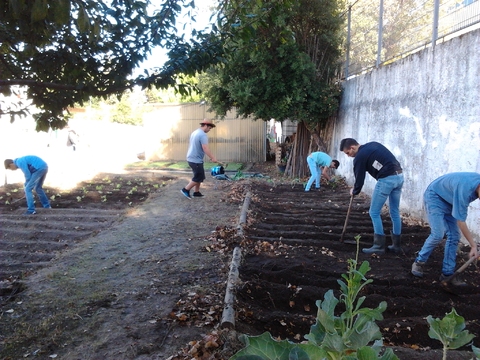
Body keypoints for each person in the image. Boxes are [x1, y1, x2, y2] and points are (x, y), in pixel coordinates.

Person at [411, 172, 479, 285]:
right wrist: (473, 245)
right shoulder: (465, 190)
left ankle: (447, 274)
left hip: (450, 200)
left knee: (454, 236)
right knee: (438, 234)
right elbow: (461, 222)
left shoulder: (475, 186)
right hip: (435, 196)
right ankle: (419, 262)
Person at [339, 138, 404, 254]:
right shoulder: (373, 145)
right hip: (399, 176)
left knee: (374, 212)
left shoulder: (359, 157)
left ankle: (378, 246)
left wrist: (355, 191)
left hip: (386, 180)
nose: (349, 156)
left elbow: (360, 178)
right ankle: (396, 246)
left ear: (352, 148)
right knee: (394, 212)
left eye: (348, 153)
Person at [181, 119, 219, 199]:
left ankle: (196, 192)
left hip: (191, 158)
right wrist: (213, 158)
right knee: (199, 177)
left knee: (198, 175)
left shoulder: (195, 132)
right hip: (195, 159)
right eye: (209, 128)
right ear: (205, 125)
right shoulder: (202, 135)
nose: (209, 130)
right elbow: (205, 148)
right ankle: (185, 189)